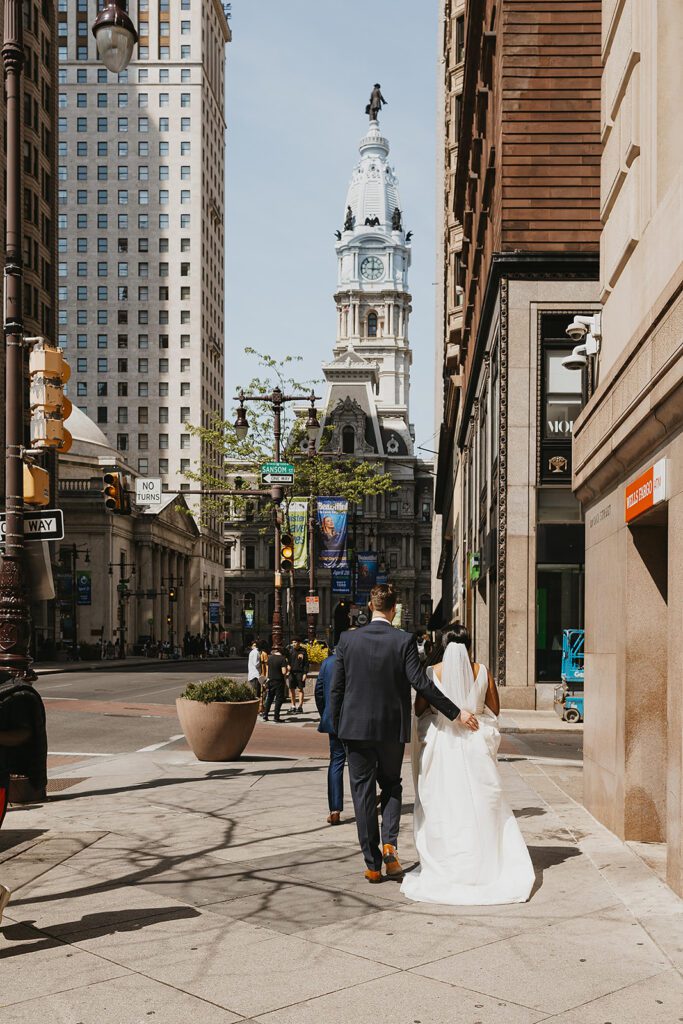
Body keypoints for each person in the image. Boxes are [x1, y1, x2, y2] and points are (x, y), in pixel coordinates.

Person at [330, 584, 478, 884]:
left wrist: (336, 726)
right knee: (392, 786)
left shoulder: (347, 640)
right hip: (390, 730)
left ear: (371, 607)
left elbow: (337, 688)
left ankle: (372, 864)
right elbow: (420, 684)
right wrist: (456, 712)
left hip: (354, 729)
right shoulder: (404, 640)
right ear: (394, 609)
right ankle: (390, 848)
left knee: (362, 794)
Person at [401, 623, 535, 905]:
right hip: (475, 747)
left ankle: (448, 863)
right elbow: (495, 709)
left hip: (441, 747)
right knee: (481, 803)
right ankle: (483, 864)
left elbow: (418, 709)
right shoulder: (482, 671)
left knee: (443, 804)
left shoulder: (431, 672)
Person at [315, 644, 346, 825]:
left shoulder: (327, 663)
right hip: (355, 722)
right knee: (363, 765)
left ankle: (334, 809)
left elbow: (319, 692)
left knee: (336, 762)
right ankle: (365, 805)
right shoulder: (354, 661)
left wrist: (325, 713)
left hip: (334, 721)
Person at [261, 646, 289, 723]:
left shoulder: (269, 658)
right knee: (278, 699)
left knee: (269, 698)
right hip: (279, 681)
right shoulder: (282, 659)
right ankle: (276, 717)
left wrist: (266, 680)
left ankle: (265, 715)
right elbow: (283, 672)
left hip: (270, 680)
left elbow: (267, 671)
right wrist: (287, 670)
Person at [286, 638, 309, 714]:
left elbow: (306, 663)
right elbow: (286, 661)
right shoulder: (290, 650)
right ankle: (293, 706)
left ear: (299, 643)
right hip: (292, 673)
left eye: (295, 642)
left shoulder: (303, 651)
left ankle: (300, 706)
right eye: (292, 642)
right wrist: (288, 666)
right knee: (291, 689)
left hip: (300, 673)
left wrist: (305, 673)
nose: (293, 644)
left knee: (300, 689)